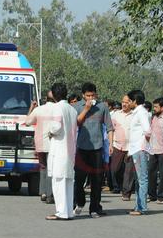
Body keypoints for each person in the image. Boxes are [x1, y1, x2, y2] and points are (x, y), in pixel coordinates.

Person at [73, 82, 114, 217]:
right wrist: (85, 109)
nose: (90, 98)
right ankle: (79, 201)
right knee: (79, 180)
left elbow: (109, 127)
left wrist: (111, 145)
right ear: (83, 95)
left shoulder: (102, 107)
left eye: (92, 95)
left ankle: (94, 208)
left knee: (96, 180)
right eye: (88, 95)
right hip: (81, 147)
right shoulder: (77, 107)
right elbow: (76, 123)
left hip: (97, 148)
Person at [45, 83, 78, 220]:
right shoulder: (72, 109)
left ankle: (61, 212)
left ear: (53, 94)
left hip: (60, 148)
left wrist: (50, 132)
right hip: (70, 149)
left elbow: (57, 126)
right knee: (68, 181)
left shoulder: (57, 108)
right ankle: (68, 211)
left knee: (58, 181)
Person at [25, 91, 55, 204]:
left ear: (45, 99)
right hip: (53, 143)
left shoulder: (39, 110)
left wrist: (31, 108)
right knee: (51, 169)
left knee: (43, 167)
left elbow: (27, 122)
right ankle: (49, 193)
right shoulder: (58, 109)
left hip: (40, 143)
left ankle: (42, 192)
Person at [127, 90, 152, 216]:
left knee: (142, 179)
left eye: (130, 101)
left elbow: (147, 131)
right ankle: (138, 205)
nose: (128, 103)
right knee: (138, 179)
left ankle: (142, 207)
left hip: (140, 149)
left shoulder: (141, 112)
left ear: (134, 101)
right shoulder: (137, 112)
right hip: (136, 149)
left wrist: (144, 146)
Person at [109, 94, 135, 199]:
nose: (124, 104)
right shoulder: (115, 115)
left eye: (127, 102)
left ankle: (126, 193)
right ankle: (120, 185)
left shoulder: (135, 115)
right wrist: (110, 144)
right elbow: (110, 130)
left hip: (131, 146)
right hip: (117, 145)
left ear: (132, 103)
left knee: (129, 171)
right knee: (114, 169)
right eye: (123, 102)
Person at [148, 97, 163, 203]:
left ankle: (161, 196)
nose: (154, 109)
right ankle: (151, 195)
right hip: (152, 150)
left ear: (162, 107)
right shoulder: (152, 118)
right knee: (151, 173)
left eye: (156, 107)